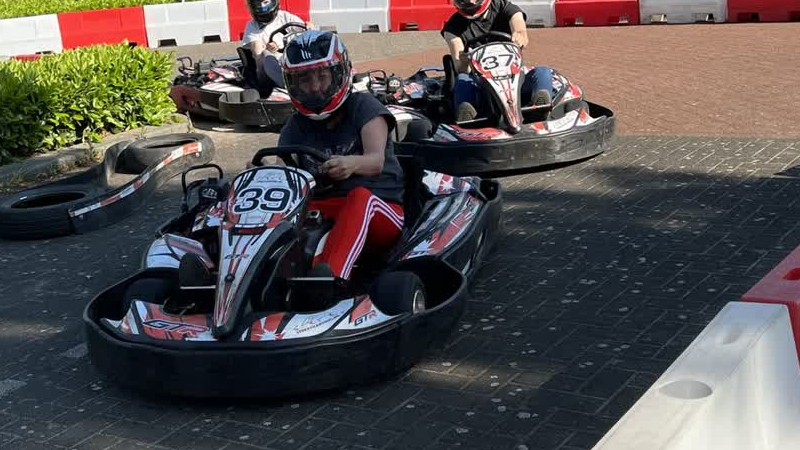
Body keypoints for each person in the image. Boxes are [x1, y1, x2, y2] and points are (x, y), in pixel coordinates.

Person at [277, 30, 406, 280]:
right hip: (323, 208)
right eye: (304, 80)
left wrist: (351, 164)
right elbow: (285, 175)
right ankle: (234, 274)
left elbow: (376, 161)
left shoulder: (365, 107)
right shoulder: (295, 126)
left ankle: (330, 279)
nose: (314, 87)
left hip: (380, 207)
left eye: (322, 77)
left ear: (339, 73)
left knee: (359, 199)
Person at [441, 0, 554, 121]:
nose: (469, 1)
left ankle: (540, 110)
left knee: (542, 72)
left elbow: (519, 27)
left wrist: (519, 35)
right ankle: (468, 119)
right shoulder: (452, 28)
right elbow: (461, 68)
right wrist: (464, 59)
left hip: (513, 77)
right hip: (481, 85)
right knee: (462, 80)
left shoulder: (504, 7)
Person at [241, 0, 315, 89]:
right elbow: (257, 52)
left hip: (292, 62)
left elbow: (305, 31)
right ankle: (289, 87)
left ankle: (314, 80)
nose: (262, 7)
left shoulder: (285, 16)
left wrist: (309, 27)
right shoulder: (252, 26)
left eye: (265, 2)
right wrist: (268, 50)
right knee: (263, 52)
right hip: (268, 72)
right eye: (258, 3)